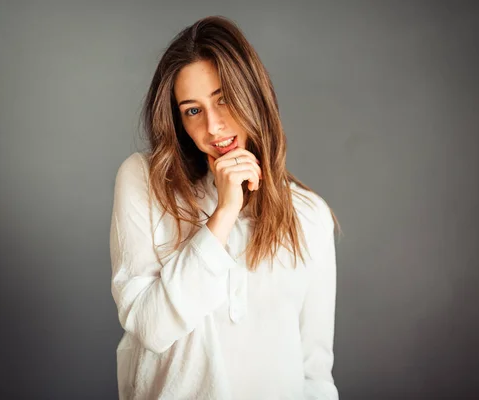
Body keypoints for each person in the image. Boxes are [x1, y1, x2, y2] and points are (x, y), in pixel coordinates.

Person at [109, 15, 341, 400]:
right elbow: (151, 329)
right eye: (193, 110)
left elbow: (314, 374)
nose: (214, 127)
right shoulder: (145, 181)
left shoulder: (309, 215)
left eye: (224, 99)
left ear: (253, 94)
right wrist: (223, 214)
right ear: (178, 120)